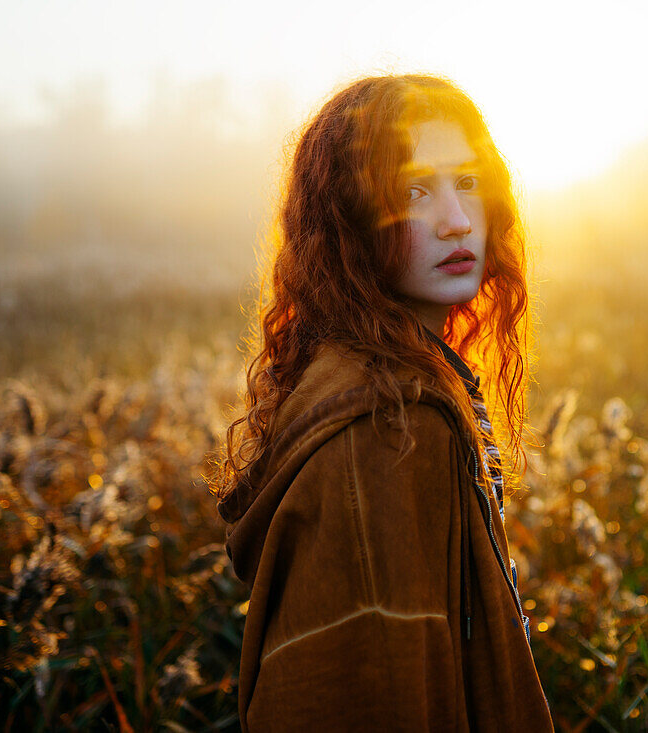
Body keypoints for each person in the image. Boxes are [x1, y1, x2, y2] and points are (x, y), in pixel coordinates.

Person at [212, 74, 555, 731]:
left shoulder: (389, 380)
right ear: (350, 221)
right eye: (414, 191)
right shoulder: (389, 426)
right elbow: (371, 684)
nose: (456, 219)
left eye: (467, 183)